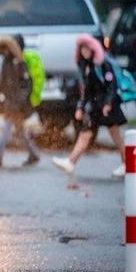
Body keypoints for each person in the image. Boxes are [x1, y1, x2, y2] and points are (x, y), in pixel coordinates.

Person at [52, 34, 126, 177]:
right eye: (82, 48)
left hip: (106, 108)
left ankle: (127, 163)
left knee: (116, 136)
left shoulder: (103, 64)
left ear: (93, 48)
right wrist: (81, 107)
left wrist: (108, 103)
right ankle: (71, 162)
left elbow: (112, 86)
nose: (84, 51)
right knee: (85, 134)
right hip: (96, 108)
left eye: (87, 48)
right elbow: (87, 90)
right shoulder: (87, 66)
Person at [0, 36, 40, 167]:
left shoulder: (19, 63)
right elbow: (3, 81)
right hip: (10, 102)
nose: (4, 52)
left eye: (6, 48)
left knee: (7, 128)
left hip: (16, 104)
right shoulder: (6, 62)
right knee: (19, 130)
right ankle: (33, 154)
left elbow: (27, 84)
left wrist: (20, 102)